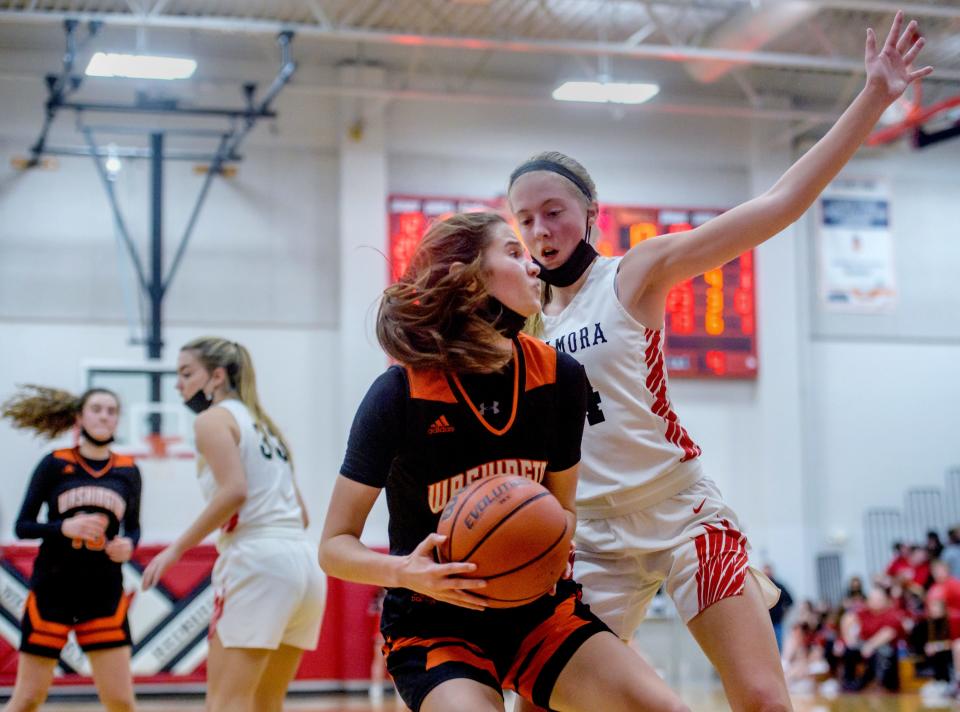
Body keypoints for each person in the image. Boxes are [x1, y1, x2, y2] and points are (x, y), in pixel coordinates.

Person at [505, 12, 931, 712]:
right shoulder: (525, 321)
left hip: (681, 514)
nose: (540, 230)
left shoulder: (634, 273)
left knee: (764, 698)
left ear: (590, 212)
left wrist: (874, 97)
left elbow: (776, 203)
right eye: (525, 219)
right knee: (544, 704)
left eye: (552, 211)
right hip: (593, 539)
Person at [319, 212, 690, 712]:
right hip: (436, 624)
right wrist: (406, 572)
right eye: (513, 253)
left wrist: (537, 549)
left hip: (539, 614)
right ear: (465, 276)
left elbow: (565, 513)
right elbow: (334, 546)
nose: (533, 264)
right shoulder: (399, 394)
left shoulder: (561, 378)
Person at [140, 338, 325, 712]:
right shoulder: (267, 426)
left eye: (186, 373)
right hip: (304, 567)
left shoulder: (212, 419)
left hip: (256, 562)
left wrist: (176, 550)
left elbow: (234, 492)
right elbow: (302, 515)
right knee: (264, 703)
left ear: (217, 376)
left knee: (225, 704)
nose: (179, 384)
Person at [1, 385, 141, 712]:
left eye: (111, 410)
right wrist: (62, 527)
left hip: (103, 591)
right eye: (96, 409)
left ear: (117, 420)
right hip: (53, 588)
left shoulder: (128, 470)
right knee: (27, 699)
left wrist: (128, 545)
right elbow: (22, 526)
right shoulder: (54, 463)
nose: (104, 415)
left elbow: (133, 527)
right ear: (79, 416)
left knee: (121, 702)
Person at [763, 564, 794, 652]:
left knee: (778, 645)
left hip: (777, 622)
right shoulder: (759, 587)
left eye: (768, 570)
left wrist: (783, 612)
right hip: (764, 622)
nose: (767, 573)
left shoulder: (779, 586)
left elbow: (790, 601)